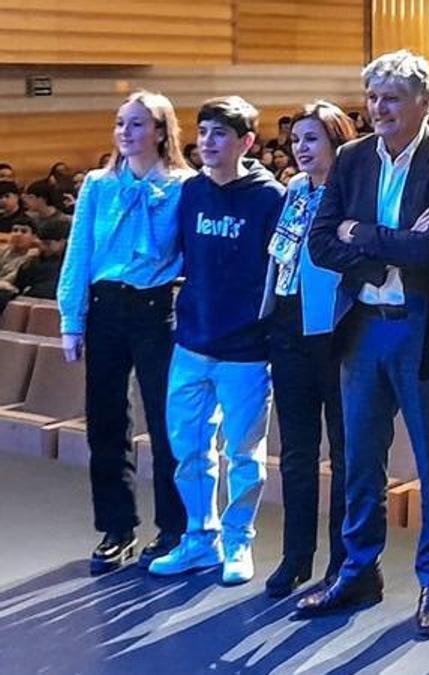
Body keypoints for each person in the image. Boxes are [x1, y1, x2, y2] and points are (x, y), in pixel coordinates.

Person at [297, 51, 429, 635]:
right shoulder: (351, 159)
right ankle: (358, 571)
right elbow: (322, 242)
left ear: (425, 103)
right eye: (373, 98)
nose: (379, 108)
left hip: (423, 330)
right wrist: (384, 250)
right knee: (359, 463)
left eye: (392, 98)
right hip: (364, 326)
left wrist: (363, 233)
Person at [147, 97, 285, 586]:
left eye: (220, 133)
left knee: (243, 455)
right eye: (203, 131)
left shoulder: (270, 198)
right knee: (188, 449)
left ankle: (238, 539)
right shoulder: (191, 191)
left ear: (246, 142)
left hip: (245, 350)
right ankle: (199, 538)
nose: (207, 141)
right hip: (191, 342)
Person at [57, 91, 191, 575]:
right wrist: (71, 320)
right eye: (120, 123)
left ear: (160, 131)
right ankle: (117, 527)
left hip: (156, 307)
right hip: (105, 306)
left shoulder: (183, 186)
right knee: (106, 422)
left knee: (166, 421)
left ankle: (174, 527)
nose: (125, 133)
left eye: (136, 124)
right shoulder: (98, 184)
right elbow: (79, 253)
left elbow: (189, 255)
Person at [258, 102, 357, 597]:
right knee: (297, 452)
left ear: (337, 142)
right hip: (287, 325)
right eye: (296, 139)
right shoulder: (295, 189)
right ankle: (296, 556)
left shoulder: (353, 194)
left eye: (312, 138)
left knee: (344, 453)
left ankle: (343, 561)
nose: (300, 147)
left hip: (334, 331)